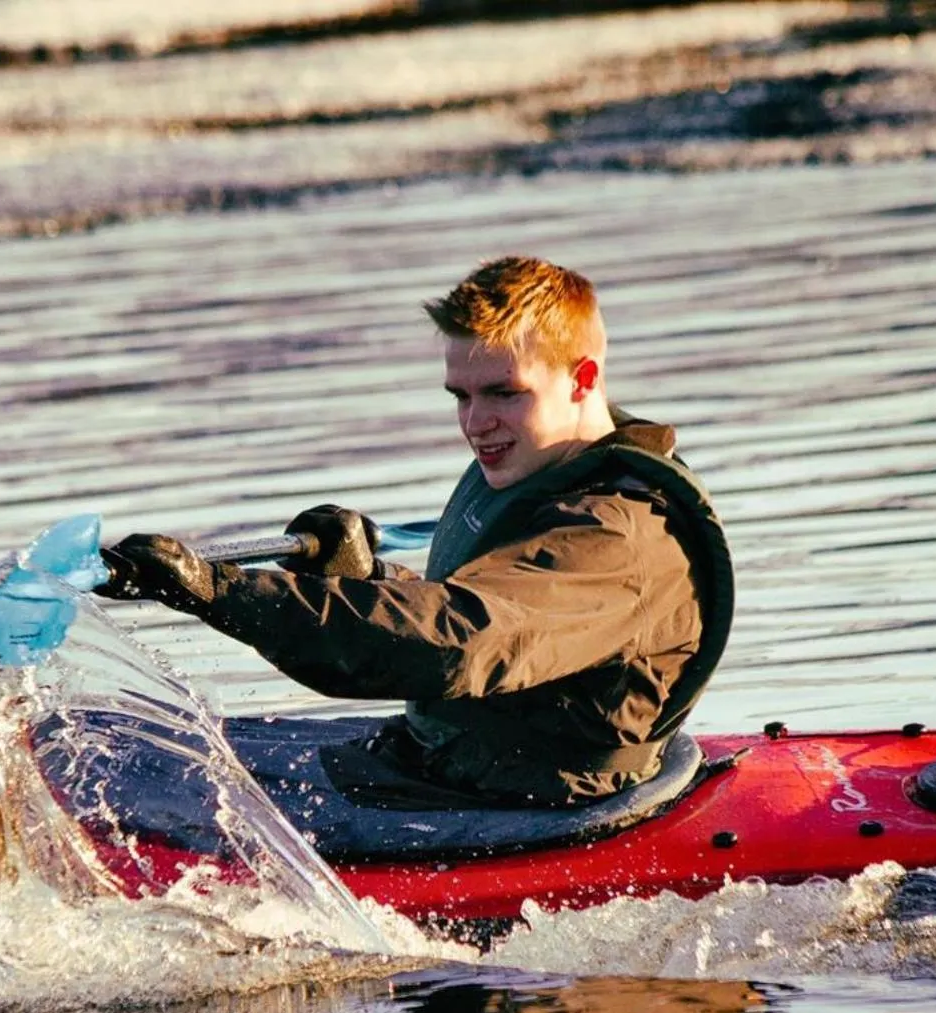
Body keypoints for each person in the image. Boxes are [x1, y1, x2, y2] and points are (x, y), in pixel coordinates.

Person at [97, 256, 733, 808]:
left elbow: (458, 642)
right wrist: (362, 581)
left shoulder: (616, 538)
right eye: (460, 395)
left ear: (583, 378)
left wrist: (216, 592)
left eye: (504, 394)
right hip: (464, 761)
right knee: (119, 747)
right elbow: (490, 607)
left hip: (529, 801)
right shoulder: (545, 464)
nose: (476, 422)